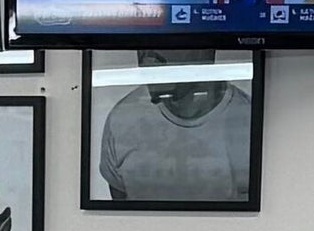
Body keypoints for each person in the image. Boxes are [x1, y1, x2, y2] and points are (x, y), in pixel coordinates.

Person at [93, 51, 252, 202]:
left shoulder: (249, 122)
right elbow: (119, 215)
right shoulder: (122, 119)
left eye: (167, 40)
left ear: (206, 50)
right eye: (142, 40)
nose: (148, 57)